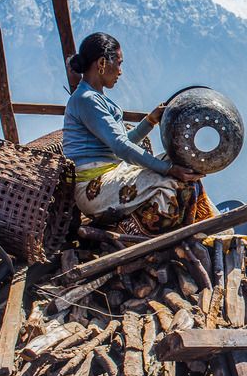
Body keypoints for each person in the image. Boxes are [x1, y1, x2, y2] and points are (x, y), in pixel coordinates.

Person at [62, 32, 209, 236]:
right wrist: (167, 170)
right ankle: (133, 232)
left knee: (179, 164)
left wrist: (150, 121)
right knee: (169, 182)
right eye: (119, 64)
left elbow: (120, 145)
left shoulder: (95, 98)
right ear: (102, 63)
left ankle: (202, 227)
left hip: (112, 174)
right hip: (93, 186)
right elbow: (121, 147)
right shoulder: (86, 99)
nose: (121, 72)